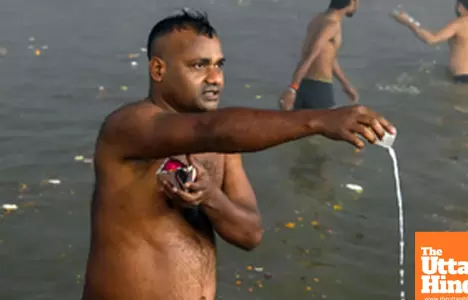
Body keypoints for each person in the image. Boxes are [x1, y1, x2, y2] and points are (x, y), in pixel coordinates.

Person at [81, 9, 396, 300]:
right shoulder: (127, 128)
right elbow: (212, 129)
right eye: (198, 65)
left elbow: (250, 234)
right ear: (158, 69)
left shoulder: (224, 147)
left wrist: (209, 197)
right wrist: (317, 119)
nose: (215, 78)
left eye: (219, 65)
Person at [392, 0, 468, 84]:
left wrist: (409, 22)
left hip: (462, 79)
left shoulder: (458, 24)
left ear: (460, 6)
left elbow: (432, 39)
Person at [279, 0, 360, 111]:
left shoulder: (318, 19)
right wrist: (292, 88)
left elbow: (328, 57)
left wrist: (345, 84)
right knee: (326, 127)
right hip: (318, 88)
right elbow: (310, 56)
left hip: (304, 84)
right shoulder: (332, 25)